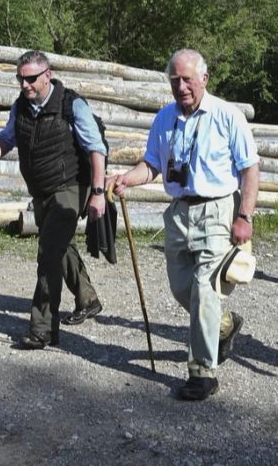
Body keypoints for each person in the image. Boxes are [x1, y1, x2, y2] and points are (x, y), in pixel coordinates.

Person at [108, 49, 259, 401]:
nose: (181, 86)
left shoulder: (227, 116)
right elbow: (152, 165)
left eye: (188, 79)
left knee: (205, 289)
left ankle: (202, 372)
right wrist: (127, 179)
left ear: (204, 79)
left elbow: (250, 169)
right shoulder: (164, 119)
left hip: (218, 210)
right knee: (182, 289)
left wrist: (244, 216)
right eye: (174, 80)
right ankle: (223, 326)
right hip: (178, 212)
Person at [0, 50, 106, 349]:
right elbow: (8, 138)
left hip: (71, 187)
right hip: (41, 189)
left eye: (31, 79)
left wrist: (98, 193)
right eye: (20, 79)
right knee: (61, 245)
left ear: (48, 75)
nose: (25, 85)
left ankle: (43, 329)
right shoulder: (21, 107)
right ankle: (88, 298)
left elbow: (96, 149)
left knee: (48, 253)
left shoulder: (72, 105)